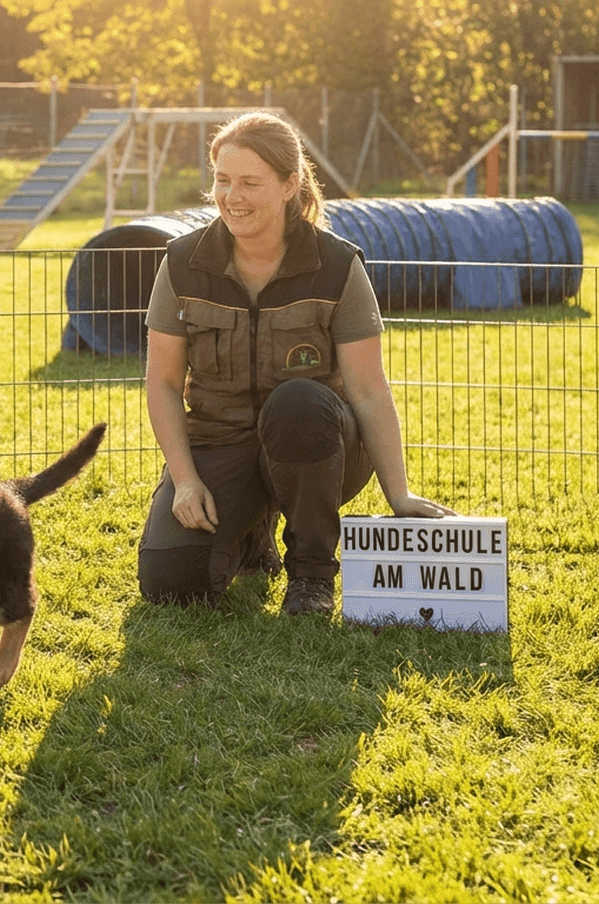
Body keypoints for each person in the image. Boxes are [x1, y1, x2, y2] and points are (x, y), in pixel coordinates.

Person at [138, 111, 455, 616]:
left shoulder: (336, 265)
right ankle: (250, 534)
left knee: (299, 402)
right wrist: (187, 479)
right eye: (222, 180)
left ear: (289, 185)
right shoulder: (181, 262)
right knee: (172, 583)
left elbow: (370, 392)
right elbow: (163, 383)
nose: (231, 197)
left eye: (249, 182)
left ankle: (310, 574)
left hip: (318, 448)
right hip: (221, 443)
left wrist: (400, 493)